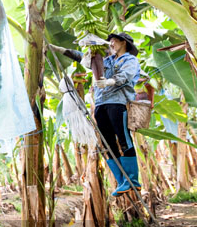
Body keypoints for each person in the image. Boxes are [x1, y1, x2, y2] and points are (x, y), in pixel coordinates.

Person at [49, 33, 142, 196]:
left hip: (118, 102)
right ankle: (121, 181)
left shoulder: (129, 60)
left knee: (124, 139)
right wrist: (60, 50)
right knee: (107, 143)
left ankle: (132, 180)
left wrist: (110, 81)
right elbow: (82, 58)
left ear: (124, 43)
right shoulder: (106, 60)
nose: (111, 43)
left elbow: (127, 75)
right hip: (100, 104)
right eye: (110, 41)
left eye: (114, 41)